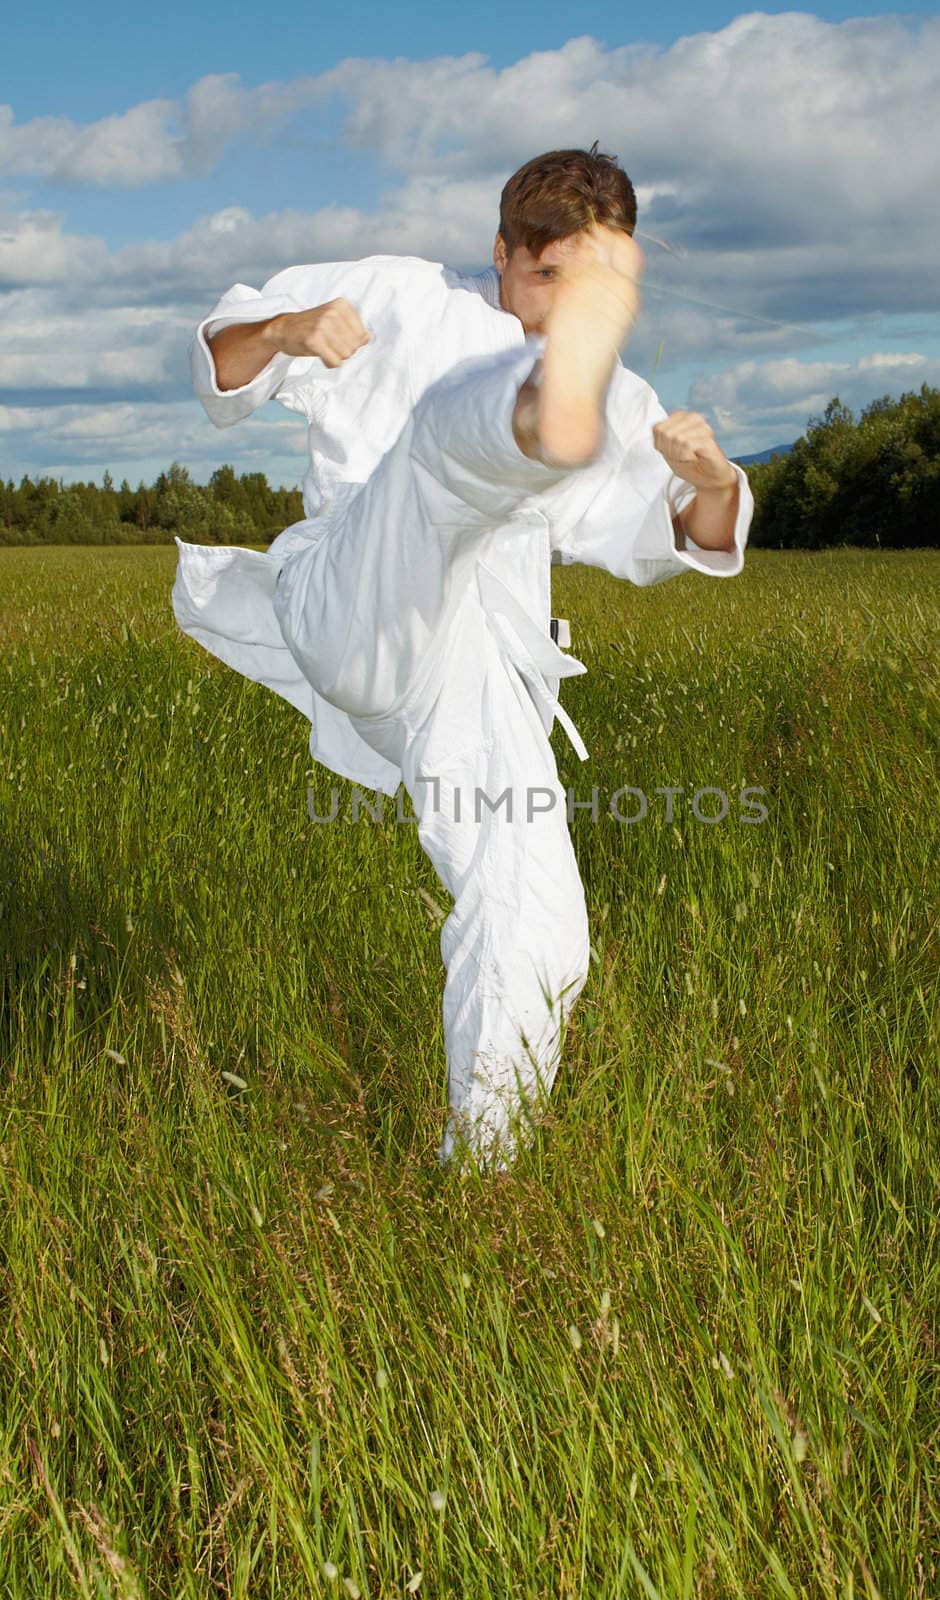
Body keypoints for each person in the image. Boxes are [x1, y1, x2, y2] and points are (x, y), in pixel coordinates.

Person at [172, 144, 754, 1174]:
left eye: (583, 286)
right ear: (499, 249)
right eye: (543, 277)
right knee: (434, 460)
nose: (548, 302)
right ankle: (524, 415)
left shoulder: (625, 400)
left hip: (477, 672)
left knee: (539, 924)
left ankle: (480, 1172)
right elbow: (219, 366)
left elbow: (661, 542)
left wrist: (711, 484)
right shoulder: (394, 293)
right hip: (354, 593)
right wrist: (285, 329)